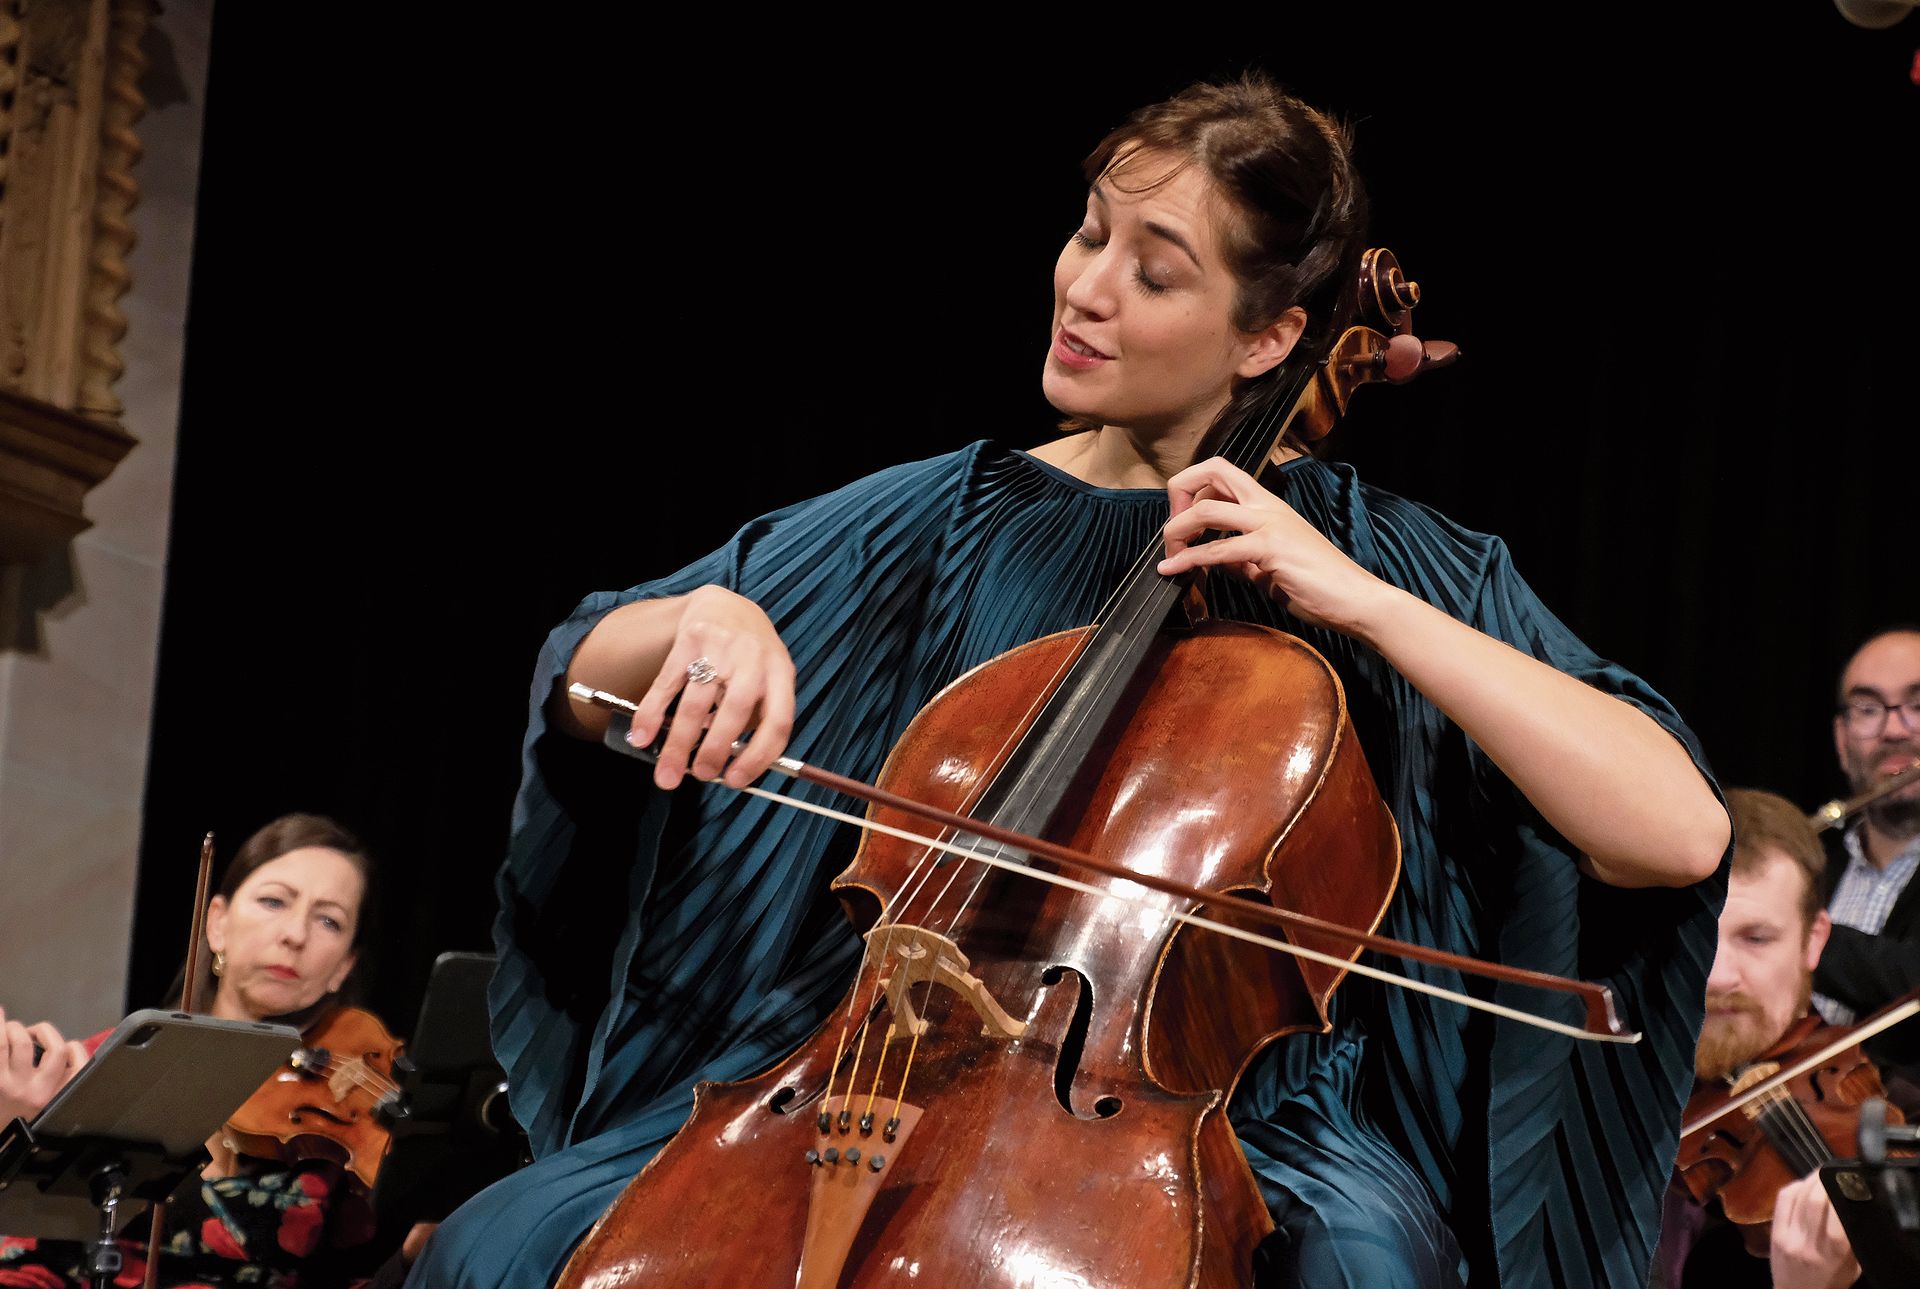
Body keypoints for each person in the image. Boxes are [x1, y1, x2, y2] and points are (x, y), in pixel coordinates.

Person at [411, 74, 1729, 1288]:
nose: (1087, 286)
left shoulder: (1390, 564)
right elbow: (585, 678)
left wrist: (1362, 601)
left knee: (1365, 1270)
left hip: (1226, 1112)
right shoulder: (942, 516)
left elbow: (1674, 833)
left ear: (1271, 338)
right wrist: (698, 620)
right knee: (493, 1244)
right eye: (1089, 234)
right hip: (850, 1054)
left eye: (1152, 272)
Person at [0, 813, 410, 1289]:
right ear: (216, 924)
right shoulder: (100, 1067)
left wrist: (418, 1251)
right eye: (274, 901)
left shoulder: (342, 1129)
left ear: (344, 967)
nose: (295, 935)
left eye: (328, 921)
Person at [1657, 787, 1848, 1286]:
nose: (1718, 975)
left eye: (1756, 938)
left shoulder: (1883, 1107)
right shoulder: (1603, 1099)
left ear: (1814, 942)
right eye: (1698, 935)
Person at [1813, 627, 1920, 1089]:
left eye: (1919, 705)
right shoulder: (1807, 869)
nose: (1895, 729)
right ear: (1842, 739)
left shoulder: (1790, 912)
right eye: (1868, 709)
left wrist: (1791, 938)